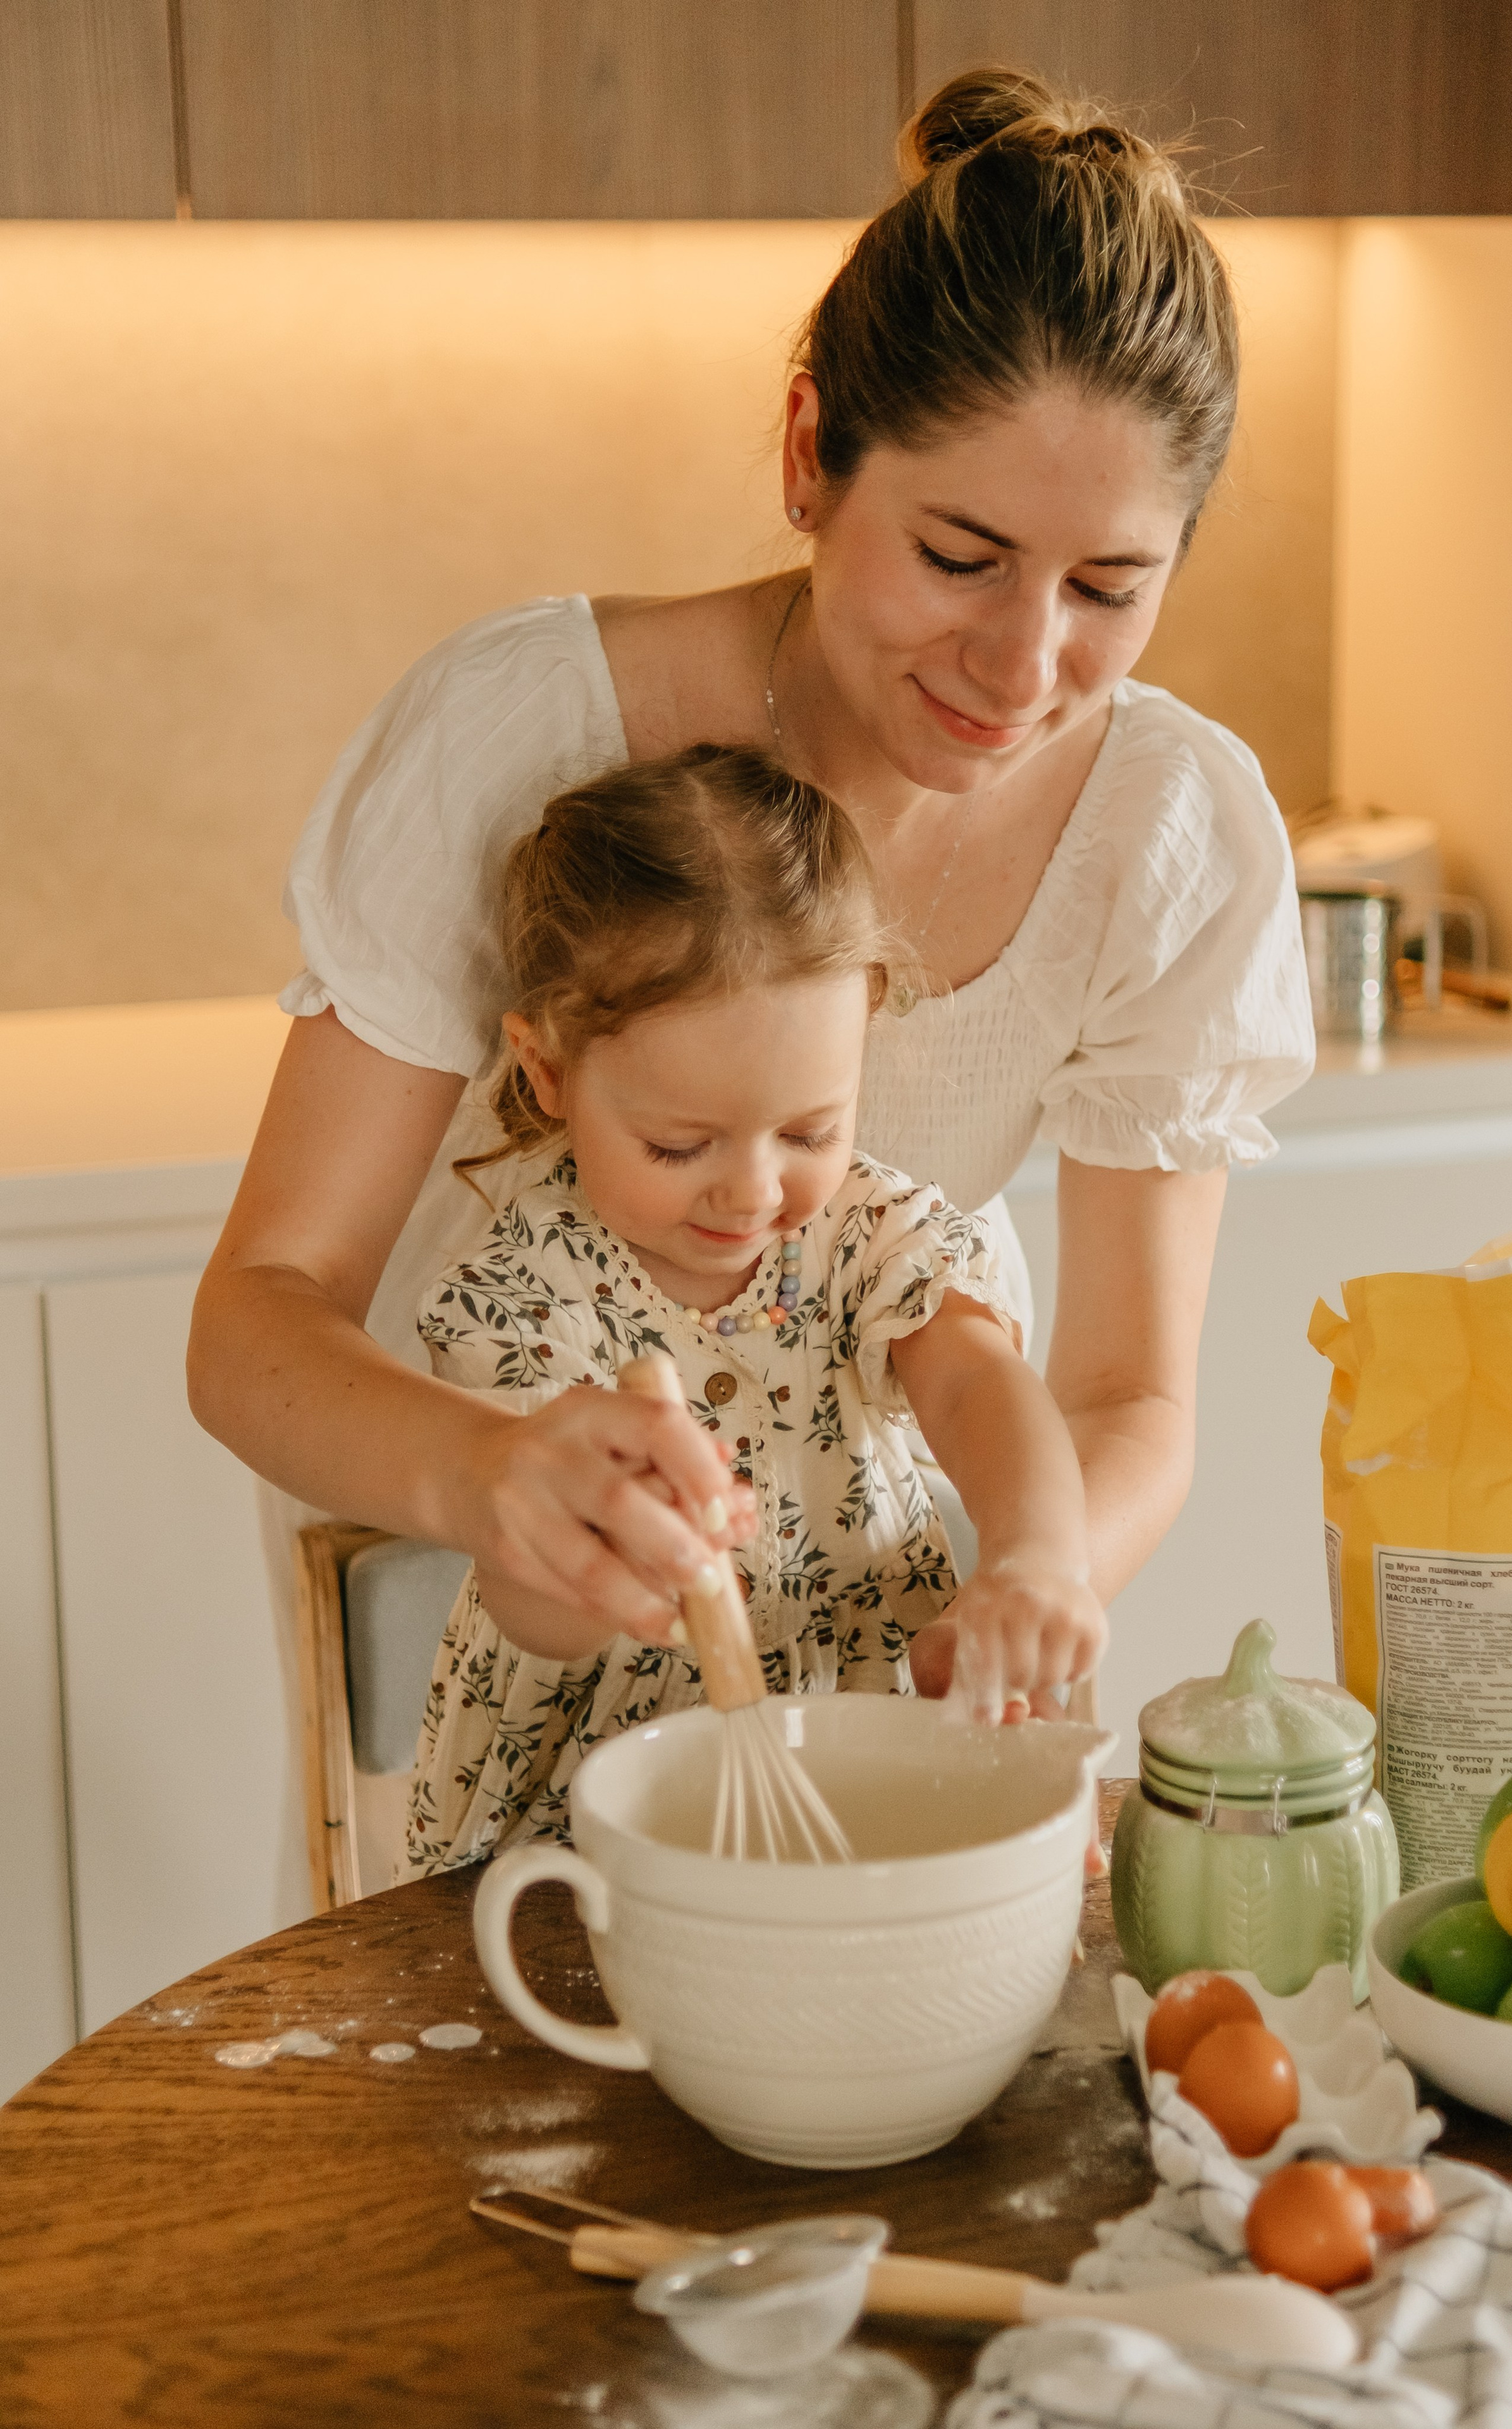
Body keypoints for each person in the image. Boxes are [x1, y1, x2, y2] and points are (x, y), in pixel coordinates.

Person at [188, 65, 1313, 1721]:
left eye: (1110, 589)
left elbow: (1129, 1391)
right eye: (959, 556)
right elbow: (257, 1319)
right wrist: (497, 1478)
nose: (1025, 666)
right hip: (492, 1634)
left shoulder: (1171, 834)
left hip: (858, 1645)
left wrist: (1038, 1577)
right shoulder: (520, 731)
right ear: (810, 454)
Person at [408, 743, 1102, 1870]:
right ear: (546, 1073)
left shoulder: (871, 1235)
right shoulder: (525, 1292)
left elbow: (980, 1385)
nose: (753, 1190)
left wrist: (1034, 1558)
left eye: (808, 1132)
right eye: (679, 1145)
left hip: (862, 1761)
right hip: (594, 1820)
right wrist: (595, 1552)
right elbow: (531, 1605)